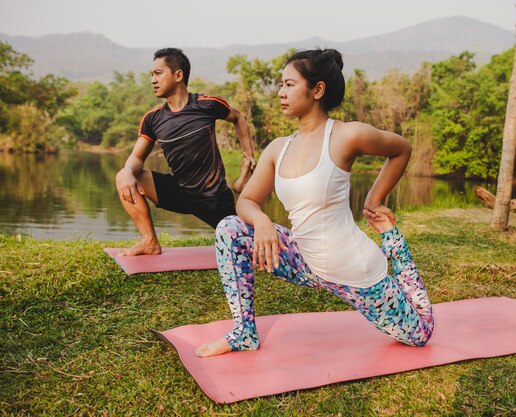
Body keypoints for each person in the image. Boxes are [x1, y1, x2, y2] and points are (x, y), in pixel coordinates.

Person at [195, 49, 434, 357]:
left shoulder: (347, 135)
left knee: (420, 335)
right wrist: (263, 221)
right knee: (229, 229)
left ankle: (394, 242)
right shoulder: (278, 148)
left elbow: (401, 149)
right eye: (281, 84)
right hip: (304, 262)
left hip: (355, 273)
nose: (280, 93)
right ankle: (244, 333)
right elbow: (247, 201)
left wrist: (375, 200)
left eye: (289, 84)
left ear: (317, 90)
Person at [115, 48, 256, 256]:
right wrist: (128, 171)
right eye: (151, 75)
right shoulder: (152, 119)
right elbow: (136, 157)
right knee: (122, 176)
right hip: (180, 192)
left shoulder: (207, 105)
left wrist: (248, 156)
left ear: (178, 75)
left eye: (158, 73)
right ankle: (149, 241)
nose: (153, 80)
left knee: (251, 247)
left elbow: (238, 118)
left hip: (213, 197)